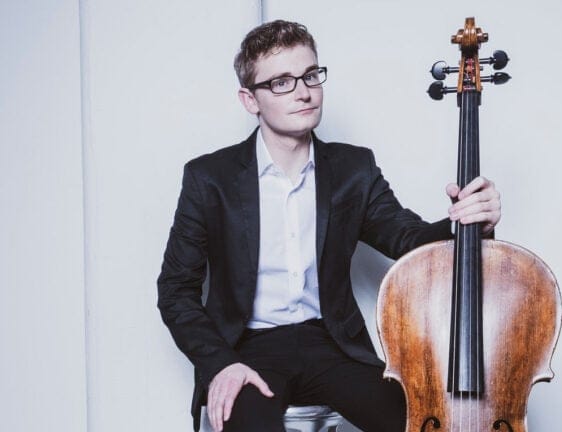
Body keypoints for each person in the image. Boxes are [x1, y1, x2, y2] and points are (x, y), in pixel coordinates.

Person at [157, 20, 501, 432]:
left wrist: (465, 222)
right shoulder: (209, 178)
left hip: (332, 345)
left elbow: (405, 238)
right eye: (282, 82)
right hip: (246, 348)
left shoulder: (353, 168)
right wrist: (221, 363)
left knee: (418, 422)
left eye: (310, 76)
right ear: (250, 100)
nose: (303, 91)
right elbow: (175, 291)